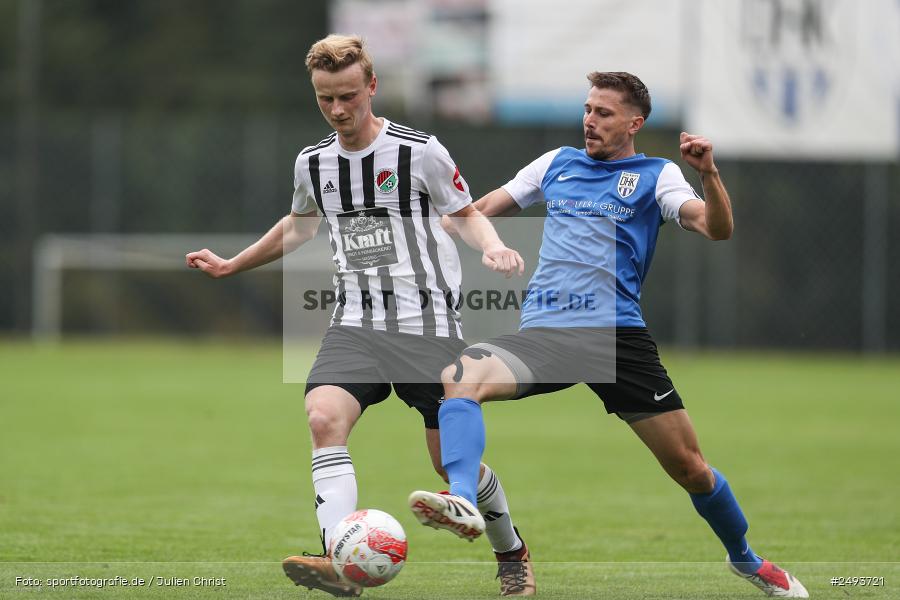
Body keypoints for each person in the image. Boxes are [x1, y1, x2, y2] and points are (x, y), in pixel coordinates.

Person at [409, 71, 809, 598]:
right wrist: (427, 238)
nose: (589, 121)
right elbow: (473, 213)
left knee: (690, 468)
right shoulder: (556, 163)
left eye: (603, 113)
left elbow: (717, 228)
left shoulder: (657, 174)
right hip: (546, 336)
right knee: (458, 377)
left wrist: (709, 174)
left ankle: (748, 560)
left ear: (634, 123)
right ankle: (461, 498)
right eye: (587, 109)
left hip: (617, 341)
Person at [186, 34, 533, 597]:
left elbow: (464, 213)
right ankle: (337, 563)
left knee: (450, 467)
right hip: (356, 323)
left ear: (371, 86)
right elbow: (299, 225)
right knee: (324, 419)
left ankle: (510, 551)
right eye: (326, 99)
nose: (339, 109)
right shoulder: (314, 162)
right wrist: (233, 265)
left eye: (349, 95)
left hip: (427, 324)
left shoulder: (420, 151)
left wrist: (490, 246)